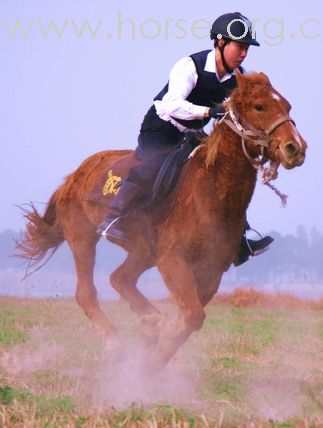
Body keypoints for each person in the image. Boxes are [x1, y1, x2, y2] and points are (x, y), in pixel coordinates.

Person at [97, 11, 273, 266]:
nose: (244, 54)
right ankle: (113, 218)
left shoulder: (239, 79)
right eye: (240, 47)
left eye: (247, 49)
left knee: (226, 177)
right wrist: (208, 112)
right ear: (221, 43)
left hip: (193, 134)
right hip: (162, 127)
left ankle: (240, 239)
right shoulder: (189, 66)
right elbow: (171, 105)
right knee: (151, 165)